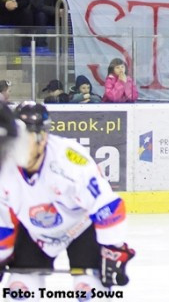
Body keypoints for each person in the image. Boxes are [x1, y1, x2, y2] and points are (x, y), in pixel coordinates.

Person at [0, 102, 135, 295]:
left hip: (80, 228)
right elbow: (2, 222)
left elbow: (107, 206)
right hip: (34, 232)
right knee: (19, 290)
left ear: (42, 137)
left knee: (88, 290)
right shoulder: (5, 164)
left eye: (24, 139)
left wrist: (113, 250)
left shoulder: (68, 160)